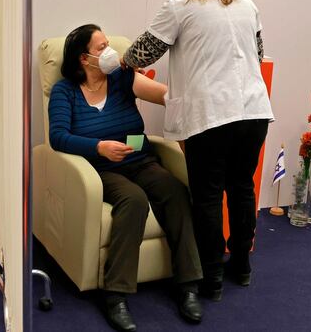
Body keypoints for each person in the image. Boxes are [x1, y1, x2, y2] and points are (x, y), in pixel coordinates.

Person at [122, 0, 274, 301]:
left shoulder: (178, 6)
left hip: (211, 116)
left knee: (207, 197)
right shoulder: (244, 1)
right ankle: (242, 265)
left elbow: (142, 52)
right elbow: (259, 52)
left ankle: (212, 278)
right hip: (253, 111)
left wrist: (123, 60)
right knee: (241, 189)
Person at [48, 24, 203, 331]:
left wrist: (192, 92)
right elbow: (58, 137)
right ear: (83, 58)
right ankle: (115, 295)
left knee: (174, 190)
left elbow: (167, 96)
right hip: (99, 169)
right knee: (133, 200)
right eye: (101, 47)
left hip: (139, 159)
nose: (110, 52)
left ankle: (188, 285)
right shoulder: (65, 91)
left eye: (109, 44)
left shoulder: (122, 78)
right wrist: (99, 147)